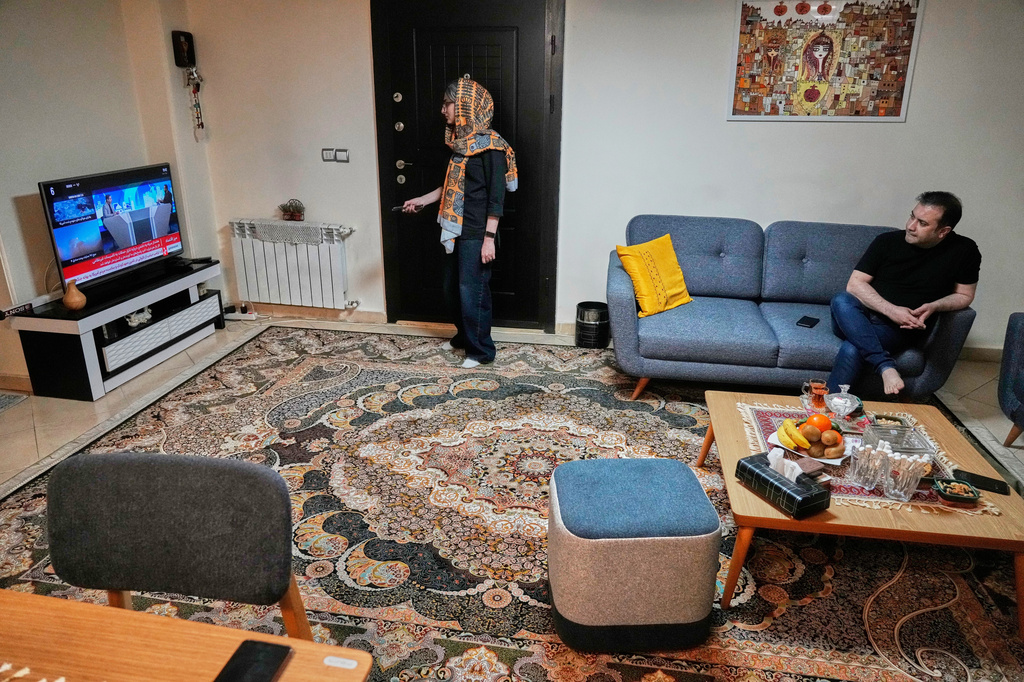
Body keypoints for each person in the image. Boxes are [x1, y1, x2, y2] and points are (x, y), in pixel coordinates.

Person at [402, 78, 518, 369]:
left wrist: (489, 238)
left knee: (473, 290)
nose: (443, 110)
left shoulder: (491, 146)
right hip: (455, 226)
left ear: (466, 105)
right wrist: (422, 200)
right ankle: (463, 336)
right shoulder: (459, 144)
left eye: (447, 103)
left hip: (478, 231)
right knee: (451, 288)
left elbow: (496, 196)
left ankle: (481, 350)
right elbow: (452, 187)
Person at [827, 192, 981, 395]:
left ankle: (826, 412)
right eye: (912, 217)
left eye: (922, 223)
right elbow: (855, 285)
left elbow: (964, 295)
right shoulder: (886, 242)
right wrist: (892, 310)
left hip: (900, 328)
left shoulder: (965, 251)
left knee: (852, 349)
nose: (910, 226)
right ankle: (885, 366)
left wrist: (935, 305)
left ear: (943, 231)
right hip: (856, 317)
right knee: (841, 299)